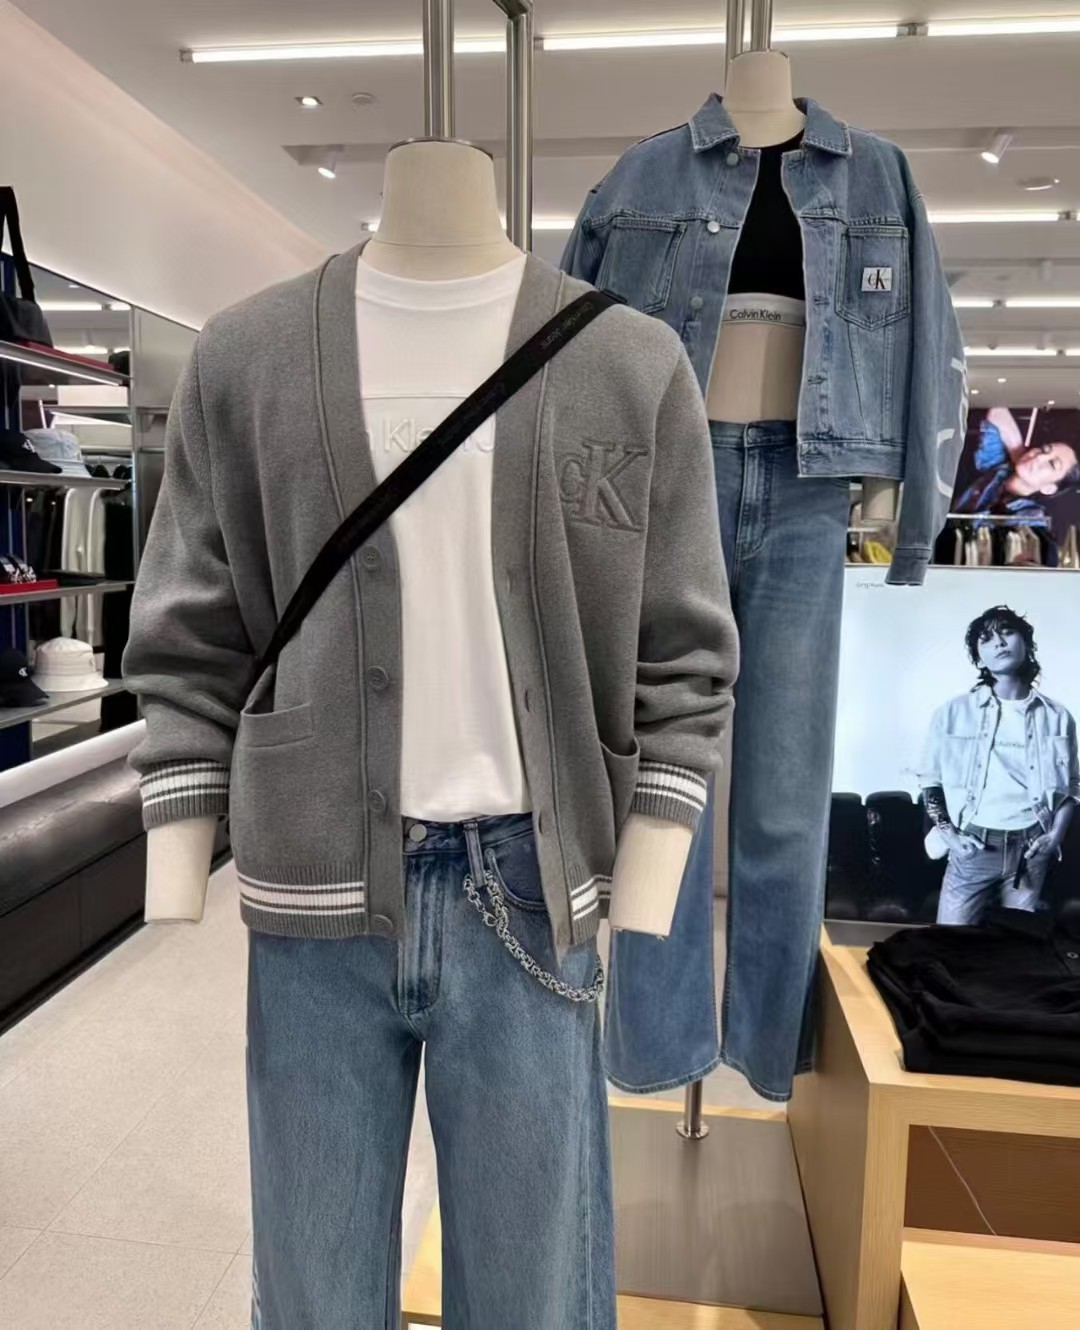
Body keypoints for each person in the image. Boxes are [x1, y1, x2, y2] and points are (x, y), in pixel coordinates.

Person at [919, 605, 1079, 925]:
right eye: (987, 639)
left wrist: (1055, 836)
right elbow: (930, 780)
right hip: (975, 846)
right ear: (979, 660)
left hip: (1031, 849)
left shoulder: (1058, 717)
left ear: (1026, 644)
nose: (1000, 643)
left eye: (1007, 633)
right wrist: (950, 836)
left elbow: (1073, 786)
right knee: (949, 944)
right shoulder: (952, 713)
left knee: (1014, 947)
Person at [956, 407, 1080, 514]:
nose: (1039, 457)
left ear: (1048, 488)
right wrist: (1018, 452)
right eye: (1044, 450)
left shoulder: (1029, 515)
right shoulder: (999, 468)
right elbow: (997, 412)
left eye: (1051, 464)